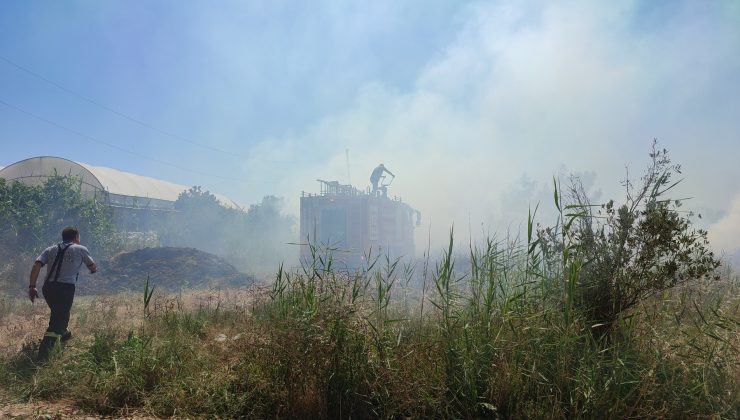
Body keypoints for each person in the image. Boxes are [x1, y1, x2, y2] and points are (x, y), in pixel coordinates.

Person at [29, 226, 97, 362]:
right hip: (65, 289)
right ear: (76, 237)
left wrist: (32, 286)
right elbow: (93, 267)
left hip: (48, 288)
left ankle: (65, 335)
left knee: (59, 314)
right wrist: (91, 270)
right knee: (57, 320)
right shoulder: (81, 249)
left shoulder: (50, 249)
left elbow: (37, 265)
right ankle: (43, 358)